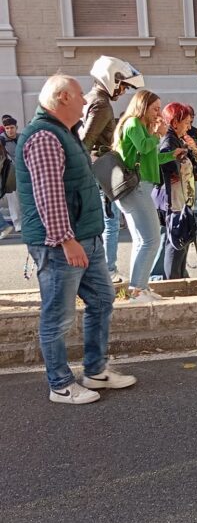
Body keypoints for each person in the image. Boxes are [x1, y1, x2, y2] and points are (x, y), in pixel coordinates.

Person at [16, 74, 136, 403]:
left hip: (85, 237)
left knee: (101, 301)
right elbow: (49, 195)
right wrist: (66, 240)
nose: (85, 101)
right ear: (63, 98)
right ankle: (60, 385)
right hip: (62, 244)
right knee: (57, 316)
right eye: (80, 95)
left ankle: (95, 372)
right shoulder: (44, 136)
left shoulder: (63, 133)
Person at [114, 90, 185, 303]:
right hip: (137, 188)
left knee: (141, 240)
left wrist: (171, 155)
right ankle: (137, 290)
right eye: (155, 108)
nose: (158, 114)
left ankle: (140, 288)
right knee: (151, 239)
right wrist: (157, 134)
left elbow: (151, 158)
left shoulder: (140, 126)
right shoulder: (134, 124)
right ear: (142, 107)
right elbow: (144, 147)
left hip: (140, 187)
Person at [79, 55, 144, 283]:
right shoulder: (101, 104)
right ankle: (108, 270)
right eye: (123, 86)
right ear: (113, 80)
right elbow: (85, 141)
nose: (123, 92)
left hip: (95, 168)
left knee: (104, 220)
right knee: (110, 221)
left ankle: (102, 269)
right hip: (102, 168)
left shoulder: (91, 98)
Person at [153, 102, 197, 280]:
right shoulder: (169, 140)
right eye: (186, 122)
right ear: (175, 122)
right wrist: (178, 159)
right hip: (174, 199)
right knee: (176, 240)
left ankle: (179, 278)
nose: (189, 126)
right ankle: (173, 281)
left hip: (181, 198)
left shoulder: (177, 138)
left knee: (181, 240)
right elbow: (164, 164)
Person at [0, 116, 21, 232]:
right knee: (13, 199)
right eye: (7, 128)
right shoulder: (1, 140)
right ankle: (18, 224)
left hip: (24, 171)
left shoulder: (22, 137)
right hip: (9, 174)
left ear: (16, 127)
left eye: (12, 128)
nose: (9, 130)